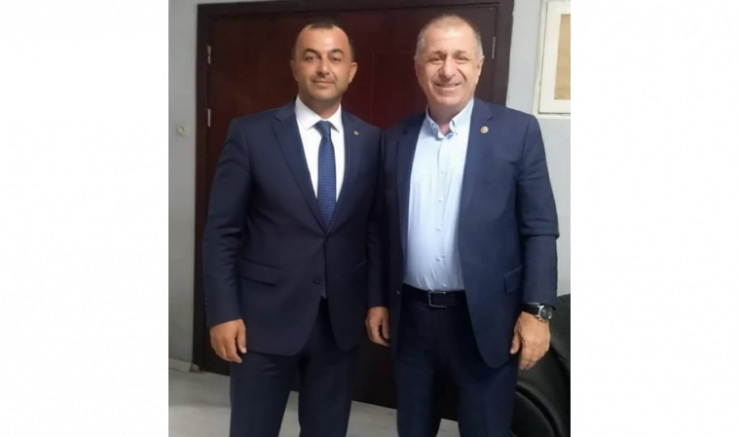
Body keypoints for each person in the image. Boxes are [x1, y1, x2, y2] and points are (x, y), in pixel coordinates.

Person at [365, 14, 559, 437]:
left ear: (479, 66)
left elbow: (540, 227)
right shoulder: (394, 139)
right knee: (413, 429)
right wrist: (377, 300)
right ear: (418, 68)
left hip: (488, 321)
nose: (447, 70)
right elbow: (380, 229)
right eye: (436, 58)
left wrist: (537, 312)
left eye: (460, 57)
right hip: (412, 320)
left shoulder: (518, 132)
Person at [203, 20, 383, 437]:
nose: (324, 68)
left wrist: (376, 300)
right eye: (311, 57)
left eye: (335, 58)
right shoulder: (251, 135)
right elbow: (221, 233)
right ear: (295, 67)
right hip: (261, 322)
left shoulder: (372, 141)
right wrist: (223, 312)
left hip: (339, 322)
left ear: (351, 70)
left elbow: (374, 230)